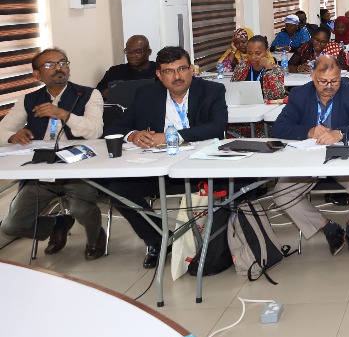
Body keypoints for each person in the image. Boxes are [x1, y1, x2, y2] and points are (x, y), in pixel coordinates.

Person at [104, 46, 228, 268]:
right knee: (117, 189)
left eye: (182, 69)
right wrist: (133, 135)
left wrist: (171, 136)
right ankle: (158, 238)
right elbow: (115, 127)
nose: (177, 76)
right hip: (157, 167)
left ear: (192, 69)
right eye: (169, 71)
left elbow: (216, 128)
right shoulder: (146, 94)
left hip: (199, 168)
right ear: (159, 75)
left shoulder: (213, 90)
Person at [0, 49, 106, 259]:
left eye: (63, 63)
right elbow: (2, 130)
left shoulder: (89, 94)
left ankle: (95, 236)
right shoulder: (28, 100)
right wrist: (13, 136)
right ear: (36, 75)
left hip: (79, 169)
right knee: (12, 226)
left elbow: (95, 131)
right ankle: (56, 224)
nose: (59, 68)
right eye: (50, 65)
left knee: (81, 209)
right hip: (42, 172)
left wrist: (64, 115)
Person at [271, 56, 349, 255]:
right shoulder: (300, 94)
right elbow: (280, 127)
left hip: (342, 158)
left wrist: (340, 132)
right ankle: (328, 228)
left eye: (334, 81)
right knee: (282, 193)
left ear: (341, 77)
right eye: (322, 81)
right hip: (308, 160)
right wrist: (308, 131)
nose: (329, 86)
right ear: (312, 76)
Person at [232, 35, 286, 101]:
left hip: (267, 108)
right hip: (245, 106)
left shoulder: (276, 69)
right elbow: (233, 91)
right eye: (249, 53)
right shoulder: (241, 68)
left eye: (258, 53)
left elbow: (277, 96)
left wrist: (269, 69)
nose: (253, 57)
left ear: (267, 52)